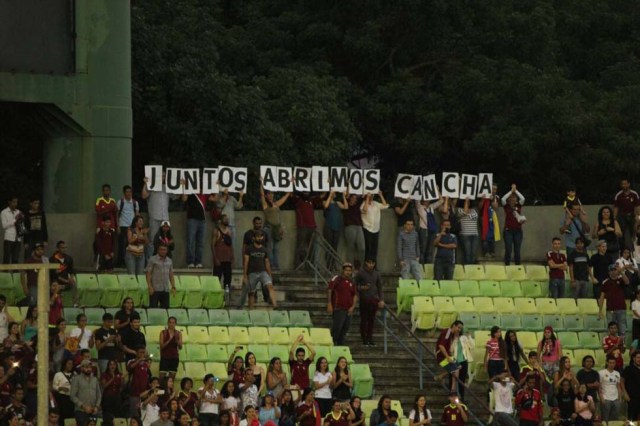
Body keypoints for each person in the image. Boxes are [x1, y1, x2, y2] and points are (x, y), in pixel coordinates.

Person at [239, 230, 277, 309]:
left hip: (263, 272)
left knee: (270, 286)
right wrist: (245, 275)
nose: (260, 238)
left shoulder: (264, 249)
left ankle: (275, 306)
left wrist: (270, 275)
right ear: (254, 238)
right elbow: (246, 262)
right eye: (258, 237)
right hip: (252, 273)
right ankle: (251, 310)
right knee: (251, 293)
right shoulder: (249, 249)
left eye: (261, 237)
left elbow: (267, 262)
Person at [259, 184, 290, 271]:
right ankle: (271, 266)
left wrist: (289, 191)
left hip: (277, 229)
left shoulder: (276, 204)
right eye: (268, 194)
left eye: (272, 193)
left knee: (276, 249)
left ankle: (276, 266)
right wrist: (261, 184)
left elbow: (284, 198)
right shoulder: (265, 205)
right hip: (268, 228)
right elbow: (261, 194)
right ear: (266, 195)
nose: (270, 195)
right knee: (270, 248)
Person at [355, 258, 384, 346]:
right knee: (364, 319)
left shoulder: (376, 273)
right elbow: (355, 286)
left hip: (374, 299)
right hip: (364, 299)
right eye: (369, 263)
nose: (371, 265)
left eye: (373, 263)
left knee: (372, 320)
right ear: (366, 263)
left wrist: (381, 299)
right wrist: (362, 288)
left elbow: (380, 287)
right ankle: (364, 338)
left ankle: (370, 338)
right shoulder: (360, 273)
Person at [142, 173, 171, 260]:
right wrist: (145, 183)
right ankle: (150, 261)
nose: (163, 177)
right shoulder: (151, 186)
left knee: (165, 241)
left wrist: (181, 186)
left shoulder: (167, 187)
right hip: (154, 216)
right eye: (161, 175)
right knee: (151, 241)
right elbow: (144, 195)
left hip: (165, 218)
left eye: (164, 175)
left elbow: (177, 196)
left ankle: (164, 261)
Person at [327, 263, 357, 346]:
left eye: (349, 271)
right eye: (346, 270)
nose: (348, 272)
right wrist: (329, 303)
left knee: (345, 329)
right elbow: (330, 290)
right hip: (338, 308)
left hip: (348, 309)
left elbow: (355, 295)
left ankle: (340, 345)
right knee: (337, 328)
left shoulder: (352, 282)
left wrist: (353, 307)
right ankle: (332, 344)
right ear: (343, 271)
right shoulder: (337, 279)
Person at [182, 193, 213, 268]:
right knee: (190, 241)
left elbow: (214, 198)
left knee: (201, 243)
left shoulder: (205, 192)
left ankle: (198, 261)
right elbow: (184, 199)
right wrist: (183, 188)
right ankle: (190, 261)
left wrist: (217, 186)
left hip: (202, 220)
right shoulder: (190, 191)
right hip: (192, 219)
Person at [291, 192, 322, 268]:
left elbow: (321, 197)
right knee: (300, 246)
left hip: (312, 227)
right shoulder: (299, 200)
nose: (306, 192)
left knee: (312, 247)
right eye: (304, 191)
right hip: (302, 226)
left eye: (307, 191)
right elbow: (291, 195)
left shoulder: (311, 200)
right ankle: (297, 265)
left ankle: (311, 265)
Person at [598, 264, 630, 337]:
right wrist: (600, 311)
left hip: (621, 309)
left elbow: (627, 282)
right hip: (610, 310)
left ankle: (622, 347)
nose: (613, 272)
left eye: (615, 270)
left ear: (617, 271)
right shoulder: (605, 282)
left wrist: (621, 272)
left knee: (622, 330)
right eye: (611, 270)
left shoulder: (621, 279)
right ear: (609, 272)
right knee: (611, 331)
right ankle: (611, 346)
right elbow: (602, 297)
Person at [70, 359, 102, 426]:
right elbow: (72, 396)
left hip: (93, 411)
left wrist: (96, 407)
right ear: (82, 368)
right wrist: (83, 406)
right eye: (86, 367)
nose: (89, 369)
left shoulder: (95, 379)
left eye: (90, 367)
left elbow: (99, 395)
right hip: (80, 411)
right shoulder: (76, 379)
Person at [145, 244, 176, 309]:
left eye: (164, 250)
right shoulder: (152, 259)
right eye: (161, 249)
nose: (163, 251)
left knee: (166, 309)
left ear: (167, 251)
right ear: (158, 250)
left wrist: (173, 286)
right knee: (153, 308)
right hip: (155, 289)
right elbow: (148, 273)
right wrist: (150, 286)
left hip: (165, 289)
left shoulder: (169, 261)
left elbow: (171, 274)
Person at [361, 191, 389, 263]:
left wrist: (381, 195)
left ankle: (373, 265)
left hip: (376, 229)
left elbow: (385, 205)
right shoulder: (363, 203)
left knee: (374, 248)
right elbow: (364, 210)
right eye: (370, 195)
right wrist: (367, 198)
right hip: (367, 228)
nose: (371, 196)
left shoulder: (376, 204)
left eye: (372, 195)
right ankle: (367, 264)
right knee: (368, 248)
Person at [116, 185, 140, 267]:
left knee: (132, 245)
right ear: (124, 193)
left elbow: (137, 216)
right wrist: (118, 226)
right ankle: (121, 263)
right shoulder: (120, 202)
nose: (128, 193)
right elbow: (117, 215)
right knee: (122, 246)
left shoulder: (135, 203)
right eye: (127, 192)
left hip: (132, 227)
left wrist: (137, 228)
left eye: (130, 192)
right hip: (123, 226)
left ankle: (130, 263)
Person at [502, 184, 526, 266]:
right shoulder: (506, 206)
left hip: (518, 231)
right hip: (508, 231)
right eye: (511, 197)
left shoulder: (518, 205)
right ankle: (507, 265)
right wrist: (511, 191)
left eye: (514, 197)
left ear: (516, 199)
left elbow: (523, 198)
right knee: (508, 249)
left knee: (517, 250)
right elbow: (503, 199)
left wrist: (515, 191)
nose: (512, 199)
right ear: (509, 199)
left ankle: (517, 266)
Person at [613, 178, 639, 251]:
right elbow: (616, 207)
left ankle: (634, 240)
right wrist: (614, 218)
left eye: (625, 183)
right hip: (622, 217)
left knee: (635, 229)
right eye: (622, 184)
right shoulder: (618, 195)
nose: (624, 185)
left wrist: (637, 215)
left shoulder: (634, 194)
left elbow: (637, 206)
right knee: (624, 233)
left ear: (628, 184)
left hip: (632, 216)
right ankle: (626, 249)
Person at [340, 193, 365, 269]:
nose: (354, 199)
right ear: (350, 198)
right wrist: (345, 196)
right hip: (349, 226)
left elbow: (364, 196)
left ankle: (361, 266)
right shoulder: (346, 204)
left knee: (362, 248)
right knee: (351, 247)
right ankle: (351, 266)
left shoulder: (358, 205)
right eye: (353, 197)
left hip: (359, 226)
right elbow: (345, 203)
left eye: (355, 198)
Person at [216, 189, 244, 256]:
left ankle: (230, 260)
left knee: (232, 244)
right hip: (222, 225)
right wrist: (225, 195)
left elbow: (238, 206)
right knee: (221, 244)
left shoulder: (231, 198)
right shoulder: (219, 197)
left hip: (232, 225)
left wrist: (241, 196)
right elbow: (220, 205)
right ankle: (221, 260)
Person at [49, 241, 78, 307]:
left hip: (66, 281)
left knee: (74, 283)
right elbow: (54, 274)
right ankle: (57, 305)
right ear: (58, 248)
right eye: (62, 248)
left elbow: (71, 271)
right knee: (56, 286)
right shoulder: (52, 259)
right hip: (56, 282)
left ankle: (76, 303)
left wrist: (71, 278)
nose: (64, 249)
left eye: (65, 247)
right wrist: (66, 281)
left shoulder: (69, 258)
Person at [212, 214, 234, 298]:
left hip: (228, 260)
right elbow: (212, 245)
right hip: (219, 260)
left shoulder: (229, 231)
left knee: (228, 280)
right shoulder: (216, 231)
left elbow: (231, 245)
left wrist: (232, 255)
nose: (227, 221)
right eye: (225, 219)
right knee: (216, 280)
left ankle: (226, 297)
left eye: (227, 219)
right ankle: (215, 298)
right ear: (221, 220)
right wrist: (215, 258)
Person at [20, 242, 48, 306]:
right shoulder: (29, 261)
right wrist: (25, 288)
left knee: (43, 304)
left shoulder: (45, 260)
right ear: (34, 251)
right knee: (32, 302)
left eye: (42, 249)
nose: (40, 251)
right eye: (38, 249)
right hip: (32, 285)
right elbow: (22, 274)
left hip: (43, 286)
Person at [127, 346, 152, 418]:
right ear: (136, 353)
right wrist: (139, 360)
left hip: (144, 395)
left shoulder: (145, 364)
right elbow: (129, 368)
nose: (142, 354)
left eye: (143, 352)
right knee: (135, 416)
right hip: (134, 395)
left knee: (143, 416)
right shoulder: (132, 361)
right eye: (140, 352)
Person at [323, 192, 345, 271]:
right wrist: (330, 195)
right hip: (329, 227)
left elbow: (346, 207)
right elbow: (326, 206)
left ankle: (334, 264)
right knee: (329, 247)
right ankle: (329, 265)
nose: (334, 193)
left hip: (337, 227)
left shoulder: (337, 203)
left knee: (335, 247)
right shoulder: (326, 201)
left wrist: (343, 196)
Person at [479, 184, 501, 259]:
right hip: (483, 217)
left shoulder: (496, 197)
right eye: (492, 189)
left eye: (495, 189)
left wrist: (492, 199)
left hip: (492, 217)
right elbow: (479, 207)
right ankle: (486, 252)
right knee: (485, 235)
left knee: (492, 235)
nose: (494, 191)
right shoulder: (483, 195)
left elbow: (495, 207)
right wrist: (483, 199)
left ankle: (492, 251)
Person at [599, 356, 623, 421]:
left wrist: (620, 398)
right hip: (606, 398)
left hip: (616, 399)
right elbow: (599, 387)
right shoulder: (601, 372)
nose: (611, 364)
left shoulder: (617, 373)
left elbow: (618, 386)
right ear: (607, 363)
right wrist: (601, 398)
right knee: (605, 418)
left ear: (615, 363)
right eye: (610, 363)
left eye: (613, 363)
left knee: (615, 419)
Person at [456, 199, 479, 265]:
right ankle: (467, 270)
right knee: (467, 254)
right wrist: (466, 201)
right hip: (465, 235)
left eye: (469, 202)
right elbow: (465, 212)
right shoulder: (459, 210)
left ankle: (471, 270)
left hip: (475, 234)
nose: (468, 203)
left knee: (473, 254)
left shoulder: (473, 210)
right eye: (466, 202)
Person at [1, 196, 23, 264]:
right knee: (6, 258)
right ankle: (5, 274)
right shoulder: (4, 212)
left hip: (18, 238)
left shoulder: (18, 211)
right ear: (9, 202)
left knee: (15, 259)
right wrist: (15, 219)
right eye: (13, 202)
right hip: (9, 238)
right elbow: (4, 226)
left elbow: (21, 224)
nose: (15, 204)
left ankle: (15, 274)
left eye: (16, 202)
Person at [621, 350, 640, 421]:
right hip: (632, 397)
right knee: (632, 418)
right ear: (633, 358)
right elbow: (622, 380)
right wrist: (625, 393)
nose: (639, 359)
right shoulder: (628, 369)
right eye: (638, 357)